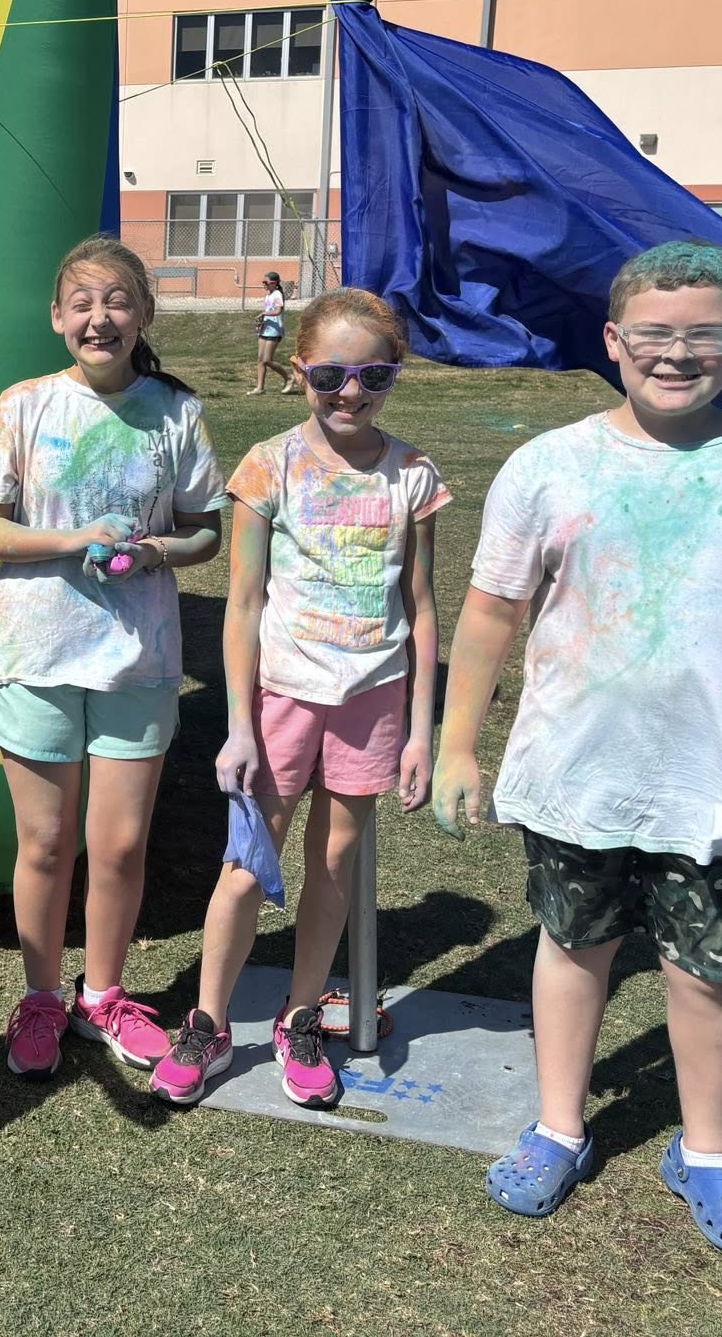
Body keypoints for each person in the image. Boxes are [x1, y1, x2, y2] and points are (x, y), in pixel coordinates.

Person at [434, 240, 722, 1259]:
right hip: (573, 771)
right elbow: (489, 613)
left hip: (710, 779)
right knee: (573, 948)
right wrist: (455, 746)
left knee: (707, 973)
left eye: (702, 335)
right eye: (655, 336)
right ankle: (556, 1127)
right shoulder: (549, 465)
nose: (677, 355)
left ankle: (705, 1152)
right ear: (614, 342)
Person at [151, 289, 448, 1108]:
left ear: (394, 376)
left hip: (374, 699)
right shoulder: (268, 466)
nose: (351, 393)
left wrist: (421, 732)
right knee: (248, 864)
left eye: (374, 376)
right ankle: (207, 1023)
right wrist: (238, 726)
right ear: (298, 370)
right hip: (281, 698)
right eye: (329, 375)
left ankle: (300, 1016)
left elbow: (423, 608)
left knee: (334, 864)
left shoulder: (415, 476)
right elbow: (242, 604)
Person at [0, 234, 225, 1080]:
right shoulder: (22, 406)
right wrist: (72, 538)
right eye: (81, 303)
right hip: (36, 653)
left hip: (136, 662)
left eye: (117, 301)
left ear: (144, 314)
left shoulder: (176, 413)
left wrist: (157, 553)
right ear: (57, 318)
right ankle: (41, 999)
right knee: (43, 844)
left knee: (117, 847)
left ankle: (103, 996)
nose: (99, 317)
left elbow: (207, 532)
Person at [249, 270, 296, 396]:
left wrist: (264, 313)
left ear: (274, 283)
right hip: (266, 329)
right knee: (260, 359)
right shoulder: (268, 295)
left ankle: (289, 377)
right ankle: (260, 388)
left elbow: (277, 311)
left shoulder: (277, 295)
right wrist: (261, 321)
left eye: (266, 282)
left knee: (267, 360)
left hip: (274, 331)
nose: (263, 284)